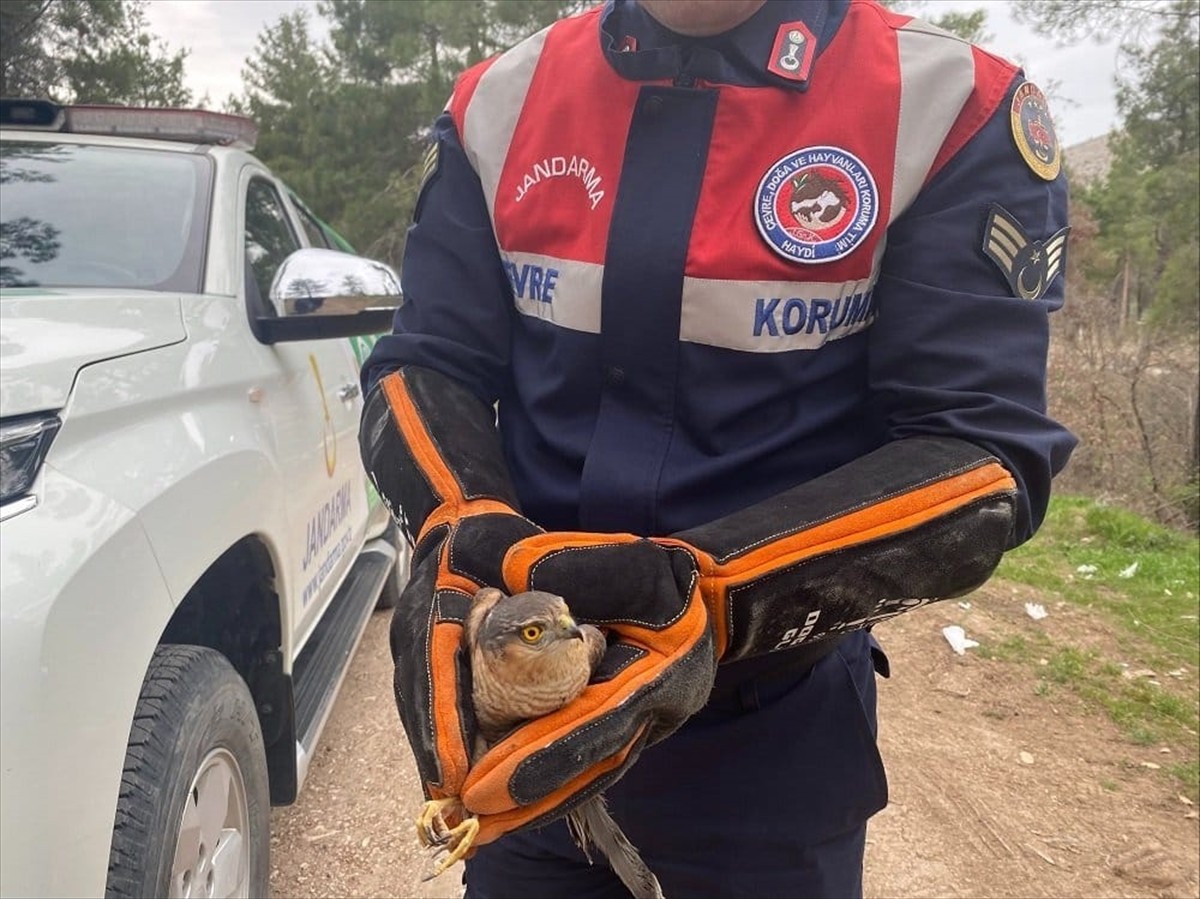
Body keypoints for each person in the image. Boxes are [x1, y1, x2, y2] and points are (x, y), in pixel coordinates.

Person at [359, 1, 1077, 896]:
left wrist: (705, 599)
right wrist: (459, 528)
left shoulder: (951, 105)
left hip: (772, 747)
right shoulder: (497, 101)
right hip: (527, 728)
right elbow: (424, 365)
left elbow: (982, 459)